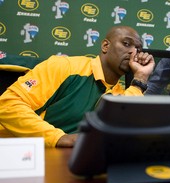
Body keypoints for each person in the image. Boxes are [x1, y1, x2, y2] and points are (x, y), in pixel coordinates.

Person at [0, 26, 155, 148]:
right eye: (126, 44)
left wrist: (140, 78)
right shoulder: (65, 66)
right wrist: (58, 137)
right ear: (105, 46)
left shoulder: (119, 94)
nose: (133, 52)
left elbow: (122, 131)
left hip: (62, 161)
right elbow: (7, 104)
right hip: (15, 153)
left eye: (139, 49)